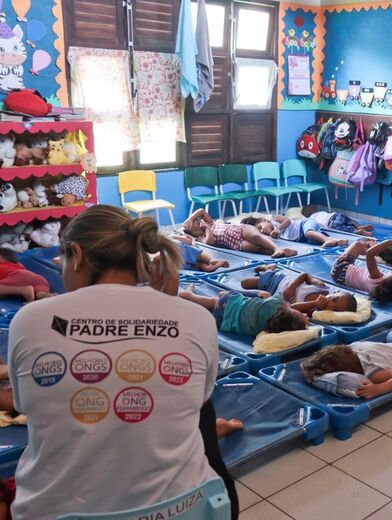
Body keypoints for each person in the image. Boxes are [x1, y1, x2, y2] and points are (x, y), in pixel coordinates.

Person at [7, 205, 238, 518]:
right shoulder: (197, 318)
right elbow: (200, 396)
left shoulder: (30, 320)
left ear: (76, 254)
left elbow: (24, 403)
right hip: (187, 507)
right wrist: (167, 310)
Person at [178, 284, 310, 337]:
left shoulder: (274, 305)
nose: (305, 314)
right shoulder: (272, 330)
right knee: (217, 310)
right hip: (223, 324)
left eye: (301, 314)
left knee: (264, 294)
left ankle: (189, 296)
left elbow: (282, 296)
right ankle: (196, 308)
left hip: (227, 303)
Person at [241, 264, 357, 316]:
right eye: (334, 300)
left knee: (255, 298)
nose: (330, 305)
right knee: (245, 283)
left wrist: (315, 303)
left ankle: (268, 269)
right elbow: (304, 275)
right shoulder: (321, 287)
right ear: (335, 293)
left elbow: (291, 308)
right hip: (279, 280)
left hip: (274, 294)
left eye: (334, 310)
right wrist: (292, 287)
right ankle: (269, 268)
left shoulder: (314, 309)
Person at [331, 240, 392, 304]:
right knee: (362, 248)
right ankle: (364, 248)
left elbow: (369, 254)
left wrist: (386, 243)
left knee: (358, 244)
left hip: (341, 269)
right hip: (341, 279)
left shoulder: (376, 277)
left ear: (383, 281)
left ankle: (363, 247)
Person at [181, 208, 296, 258]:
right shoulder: (202, 237)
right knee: (258, 249)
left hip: (239, 230)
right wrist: (206, 229)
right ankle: (285, 252)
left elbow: (201, 211)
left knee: (256, 236)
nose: (196, 228)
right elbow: (210, 242)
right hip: (235, 243)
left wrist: (189, 219)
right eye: (194, 231)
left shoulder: (210, 223)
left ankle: (277, 248)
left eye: (195, 224)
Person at [241, 215, 347, 248]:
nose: (262, 230)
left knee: (309, 233)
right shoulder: (272, 236)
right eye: (259, 231)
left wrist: (279, 228)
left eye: (260, 227)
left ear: (265, 220)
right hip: (303, 237)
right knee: (312, 239)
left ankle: (326, 239)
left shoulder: (275, 219)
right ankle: (337, 241)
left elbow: (287, 221)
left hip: (304, 224)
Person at [301, 205, 375, 236]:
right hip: (336, 215)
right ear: (314, 210)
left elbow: (317, 226)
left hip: (331, 223)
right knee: (350, 220)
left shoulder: (311, 219)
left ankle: (358, 231)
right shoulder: (321, 212)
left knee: (346, 229)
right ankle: (359, 226)